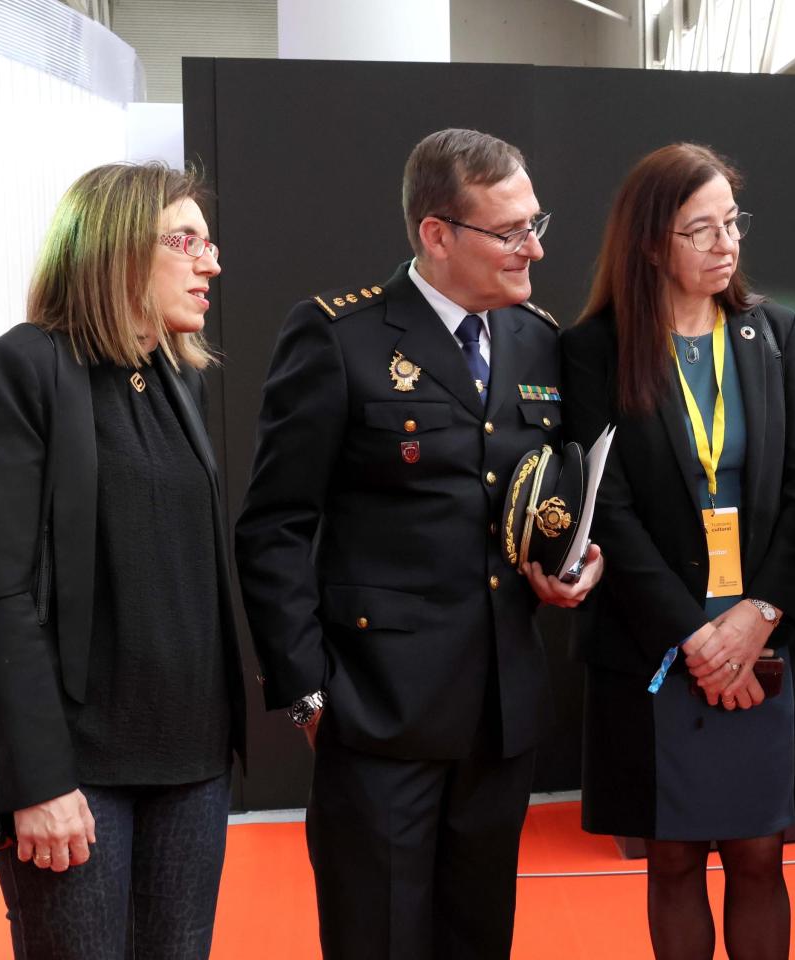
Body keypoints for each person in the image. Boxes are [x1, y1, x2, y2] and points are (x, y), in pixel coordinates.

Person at [233, 128, 603, 959]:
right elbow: (273, 527)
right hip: (376, 715)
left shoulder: (538, 338)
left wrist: (578, 559)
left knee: (479, 939)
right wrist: (307, 694)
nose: (534, 247)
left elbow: (555, 500)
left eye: (536, 222)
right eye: (509, 232)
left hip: (500, 715)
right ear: (437, 234)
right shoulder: (339, 336)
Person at [0, 162, 244, 959]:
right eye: (185, 241)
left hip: (191, 761)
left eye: (208, 243)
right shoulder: (23, 368)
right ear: (113, 249)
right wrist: (39, 781)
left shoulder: (173, 378)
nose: (210, 262)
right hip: (78, 771)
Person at [561, 143, 795, 960]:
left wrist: (757, 618)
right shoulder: (594, 349)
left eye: (732, 224)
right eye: (701, 229)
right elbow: (602, 508)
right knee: (671, 858)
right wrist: (695, 636)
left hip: (760, 630)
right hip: (658, 636)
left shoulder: (774, 332)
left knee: (760, 854)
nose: (726, 245)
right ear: (650, 244)